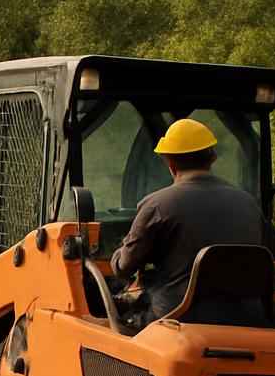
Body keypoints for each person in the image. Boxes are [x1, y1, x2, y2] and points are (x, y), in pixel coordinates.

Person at [109, 118, 266, 326]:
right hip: (245, 319)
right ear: (212, 158)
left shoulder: (157, 205)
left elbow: (123, 267)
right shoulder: (250, 205)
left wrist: (120, 250)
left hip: (175, 318)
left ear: (170, 164)